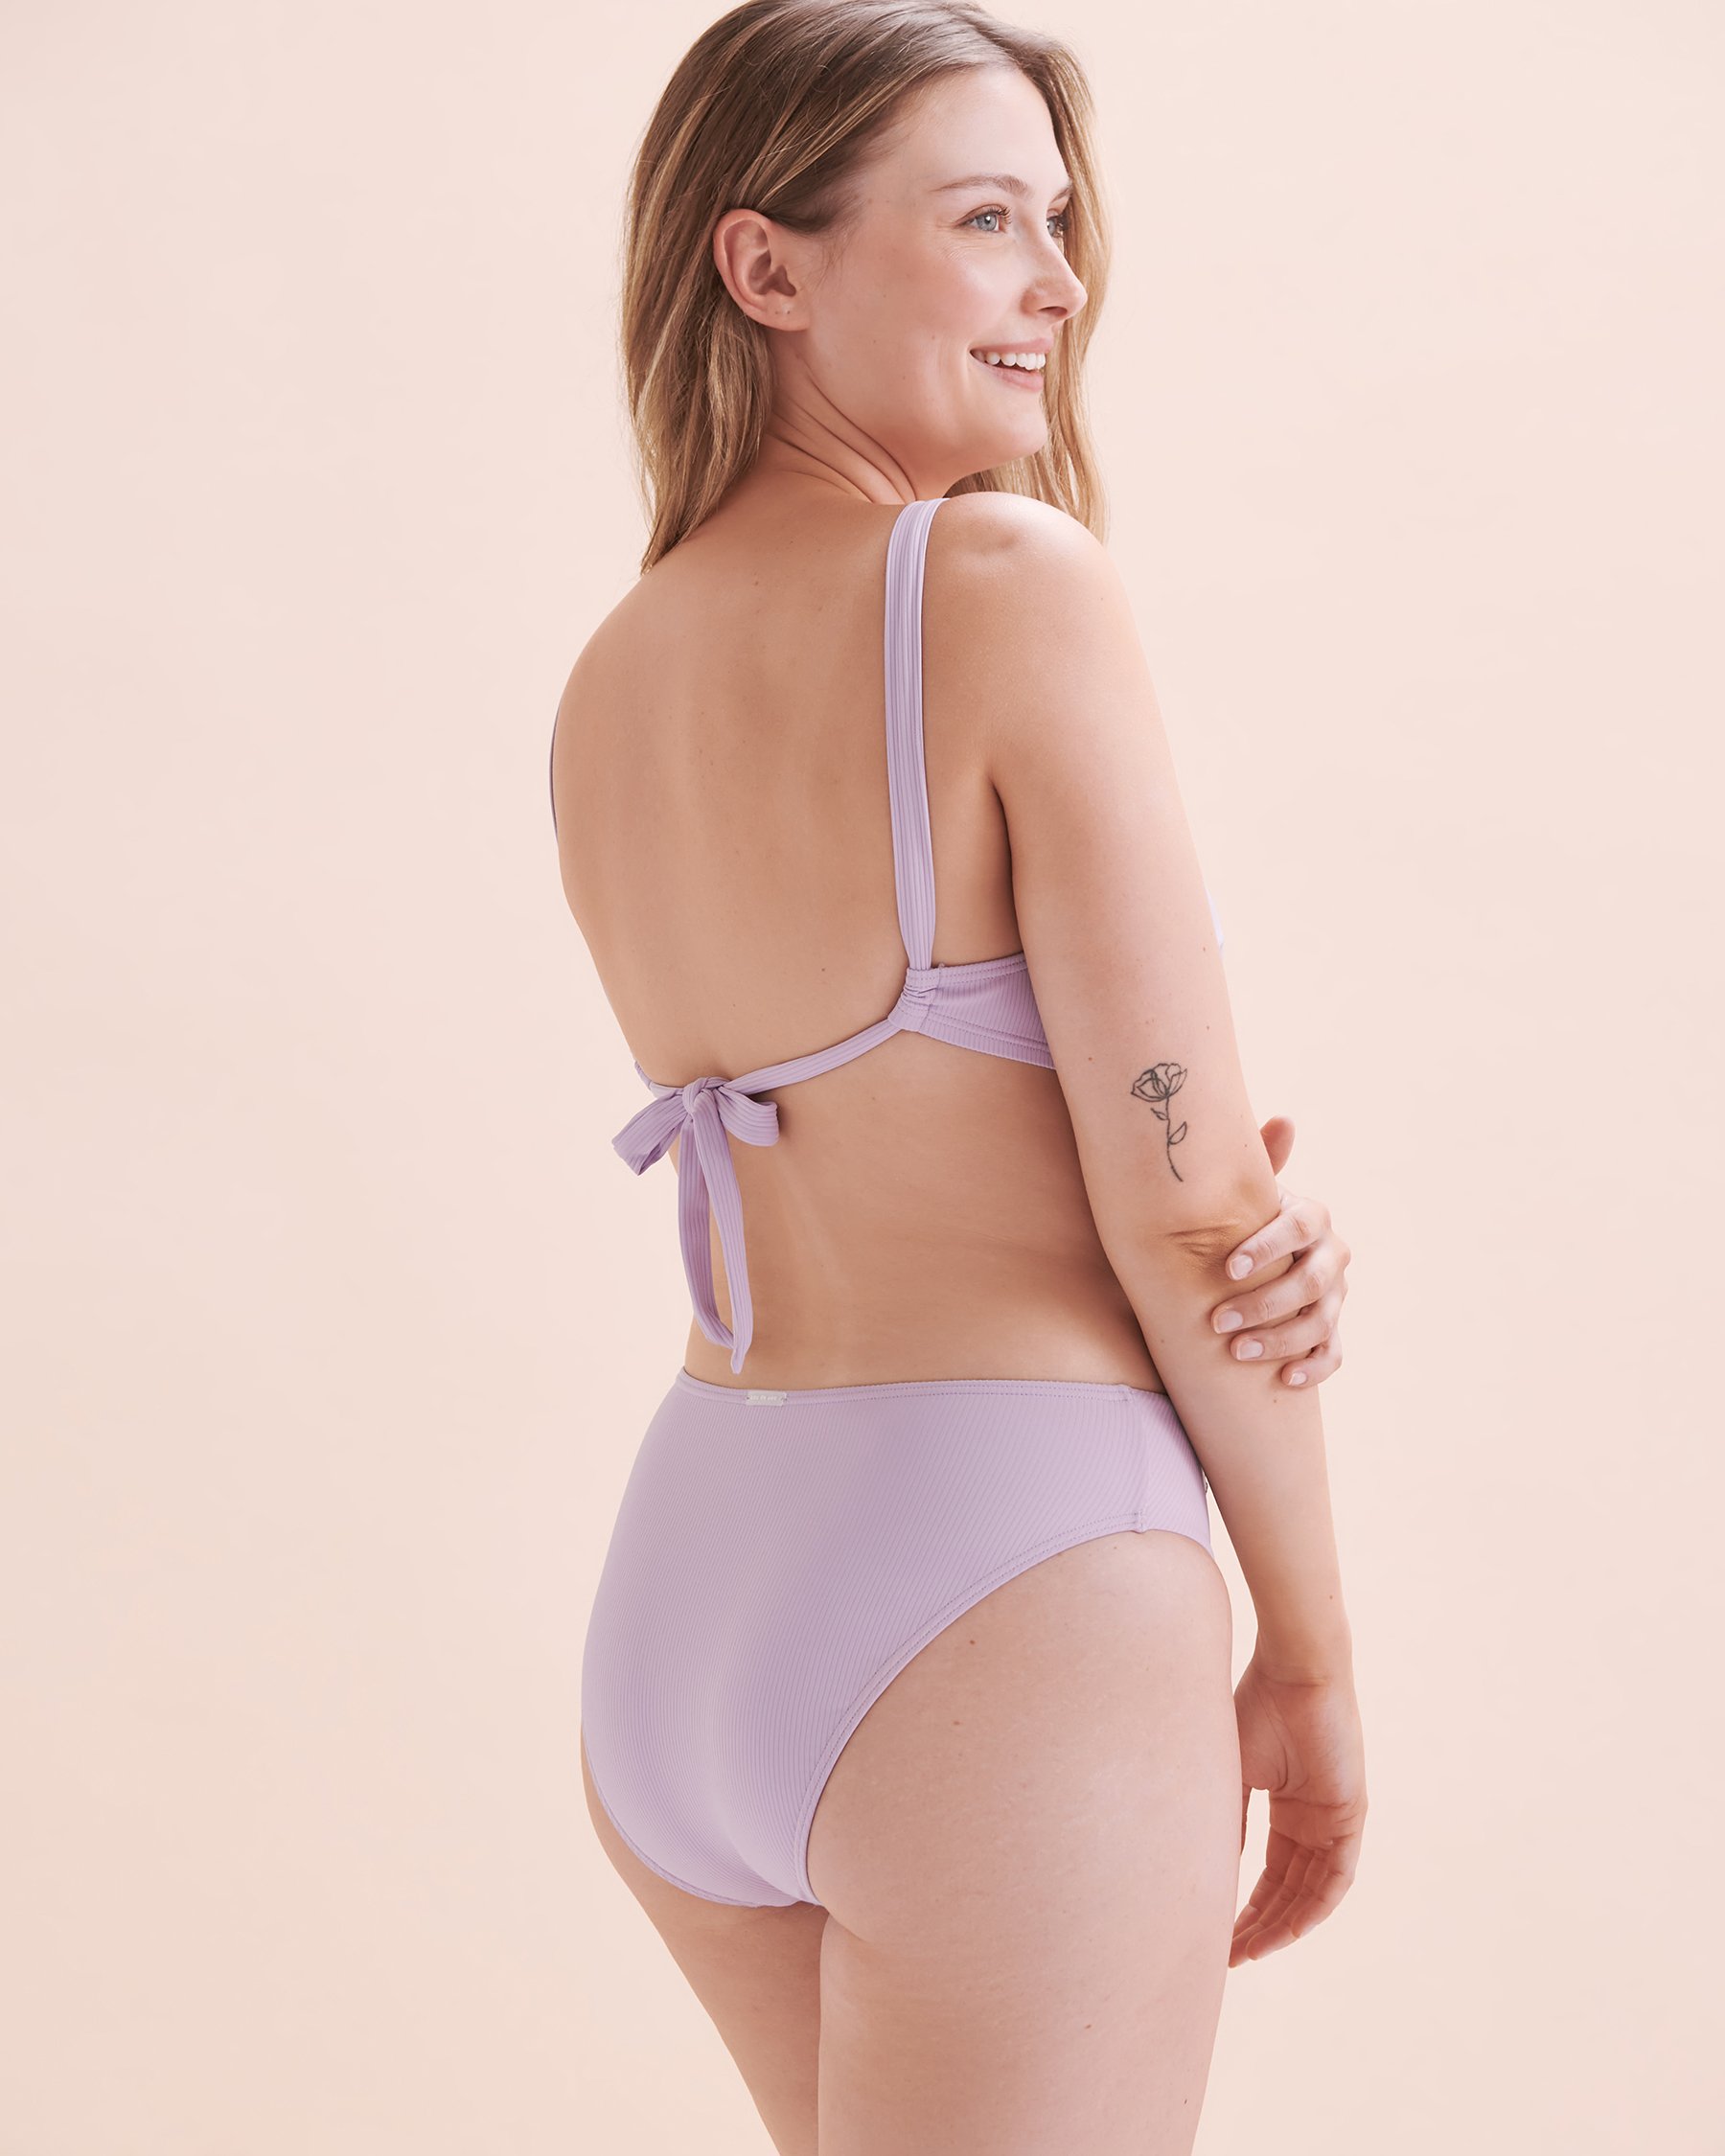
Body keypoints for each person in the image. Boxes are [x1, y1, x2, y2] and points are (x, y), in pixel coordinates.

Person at [551, 5, 1366, 2150]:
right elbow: (1190, 1215)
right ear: (767, 264)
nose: (1060, 284)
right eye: (988, 218)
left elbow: (906, 1133)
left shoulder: (612, 678)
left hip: (696, 1581)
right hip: (1002, 1578)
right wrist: (1306, 1656)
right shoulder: (1000, 582)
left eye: (1061, 223)